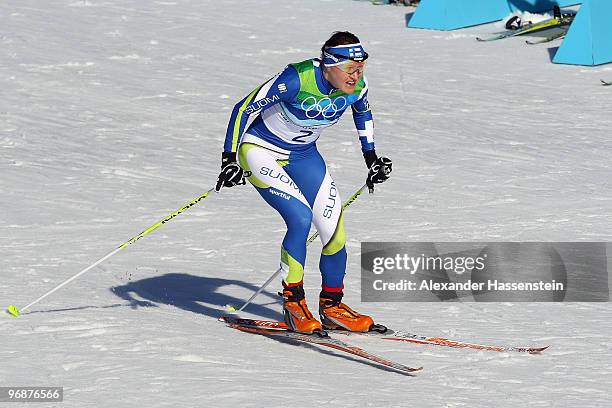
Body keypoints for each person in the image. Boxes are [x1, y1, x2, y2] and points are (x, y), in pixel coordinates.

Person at [216, 31, 392, 334]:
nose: (356, 75)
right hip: (260, 151)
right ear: (329, 64)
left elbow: (362, 114)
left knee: (334, 230)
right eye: (350, 68)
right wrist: (229, 158)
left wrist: (371, 157)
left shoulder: (356, 87)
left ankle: (332, 306)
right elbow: (244, 108)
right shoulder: (296, 79)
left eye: (361, 67)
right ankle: (294, 302)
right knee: (299, 219)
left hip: (303, 156)